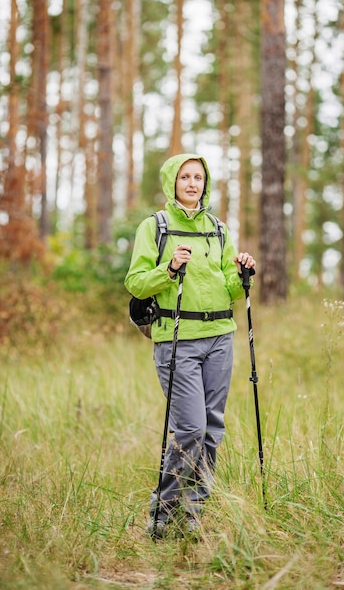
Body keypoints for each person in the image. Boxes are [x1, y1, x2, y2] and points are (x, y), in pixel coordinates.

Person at [124, 153, 256, 539]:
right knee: (190, 429)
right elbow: (136, 282)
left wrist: (243, 273)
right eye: (185, 177)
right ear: (172, 182)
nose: (193, 183)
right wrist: (169, 270)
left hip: (220, 337)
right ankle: (163, 511)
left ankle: (193, 510)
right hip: (176, 338)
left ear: (205, 183)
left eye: (199, 177)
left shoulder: (218, 228)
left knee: (213, 428)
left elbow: (229, 288)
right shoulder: (155, 227)